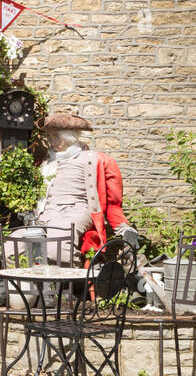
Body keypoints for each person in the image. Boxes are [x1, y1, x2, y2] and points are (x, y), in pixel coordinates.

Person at [34, 113, 137, 264]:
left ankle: (74, 283)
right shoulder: (45, 164)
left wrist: (124, 228)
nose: (51, 142)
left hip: (74, 211)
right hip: (45, 214)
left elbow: (113, 203)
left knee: (57, 248)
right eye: (49, 137)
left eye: (55, 136)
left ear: (69, 137)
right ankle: (29, 287)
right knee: (11, 247)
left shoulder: (97, 160)